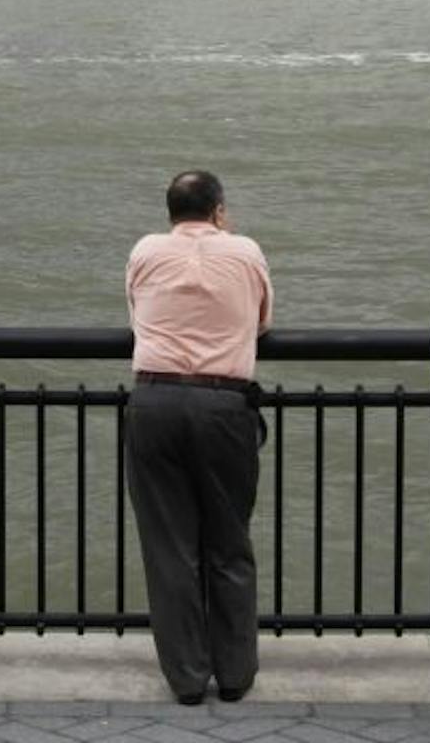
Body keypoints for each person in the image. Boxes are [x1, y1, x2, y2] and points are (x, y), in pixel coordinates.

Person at [123, 170, 272, 706]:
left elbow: (137, 316)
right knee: (229, 542)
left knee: (170, 547)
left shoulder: (145, 251)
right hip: (224, 403)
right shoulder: (246, 252)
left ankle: (187, 678)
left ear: (170, 213)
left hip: (155, 401)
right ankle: (235, 674)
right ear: (219, 211)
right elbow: (260, 322)